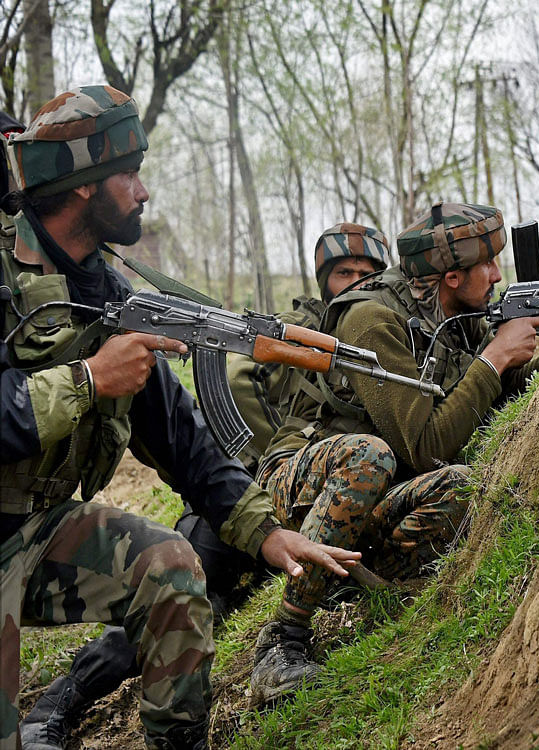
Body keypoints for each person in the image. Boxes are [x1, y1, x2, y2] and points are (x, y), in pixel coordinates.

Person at [0, 85, 360, 750]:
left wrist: (267, 535)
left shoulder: (108, 294)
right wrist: (88, 380)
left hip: (32, 533)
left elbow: (184, 441)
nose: (143, 193)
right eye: (130, 174)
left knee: (171, 565)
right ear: (84, 184)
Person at [247, 202, 539, 704]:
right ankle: (283, 638)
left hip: (382, 487)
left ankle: (353, 583)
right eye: (489, 265)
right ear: (453, 277)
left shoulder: (454, 312)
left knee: (460, 485)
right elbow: (427, 444)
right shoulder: (371, 319)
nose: (499, 275)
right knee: (370, 456)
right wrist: (495, 355)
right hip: (306, 479)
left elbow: (497, 394)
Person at [228, 222, 389, 472]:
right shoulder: (302, 327)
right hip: (301, 470)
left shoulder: (383, 330)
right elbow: (238, 380)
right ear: (325, 281)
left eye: (366, 275)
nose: (356, 285)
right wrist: (282, 460)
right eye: (344, 273)